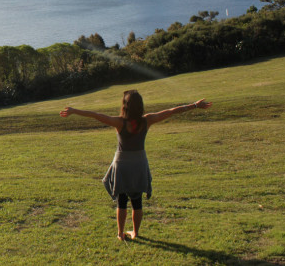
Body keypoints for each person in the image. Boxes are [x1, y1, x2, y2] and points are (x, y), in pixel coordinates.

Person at [59, 90, 212, 241]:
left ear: (125, 106)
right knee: (137, 201)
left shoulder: (120, 122)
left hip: (122, 165)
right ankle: (135, 232)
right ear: (140, 105)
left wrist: (74, 111)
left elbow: (96, 115)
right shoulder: (147, 120)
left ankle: (120, 233)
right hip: (139, 164)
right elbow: (171, 111)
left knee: (122, 201)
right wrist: (195, 105)